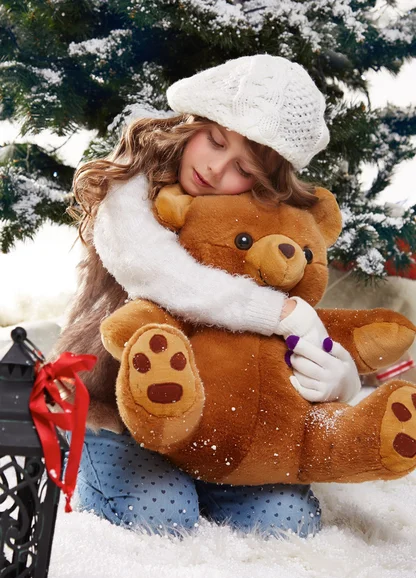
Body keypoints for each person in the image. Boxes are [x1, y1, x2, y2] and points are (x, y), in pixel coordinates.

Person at [55, 55, 361, 538]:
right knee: (162, 514)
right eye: (215, 140)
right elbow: (158, 272)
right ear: (193, 121)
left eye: (242, 168)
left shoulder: (263, 214)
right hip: (109, 402)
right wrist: (277, 312)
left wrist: (337, 374)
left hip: (220, 421)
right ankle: (96, 460)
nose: (216, 169)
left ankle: (203, 474)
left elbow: (300, 300)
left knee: (287, 521)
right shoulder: (131, 175)